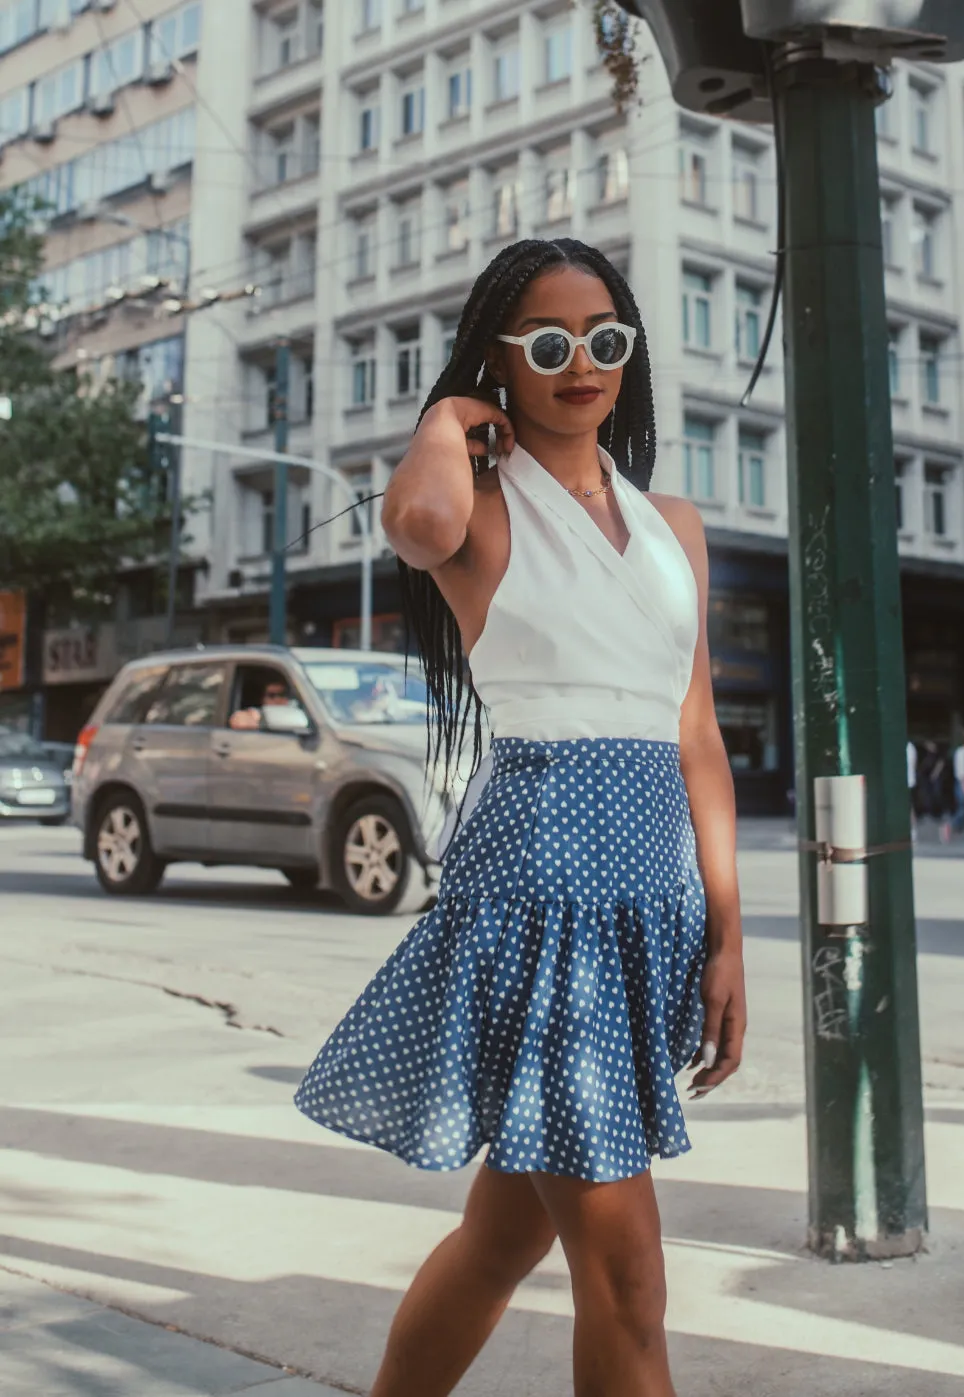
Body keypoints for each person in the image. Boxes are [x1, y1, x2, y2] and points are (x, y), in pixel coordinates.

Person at [294, 239, 746, 1397]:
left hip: (649, 904)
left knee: (505, 1238)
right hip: (543, 903)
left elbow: (696, 735)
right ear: (504, 360)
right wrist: (449, 417)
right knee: (631, 1276)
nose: (582, 363)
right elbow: (418, 526)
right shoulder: (485, 509)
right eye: (548, 344)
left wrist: (727, 927)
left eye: (605, 340)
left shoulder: (674, 525)